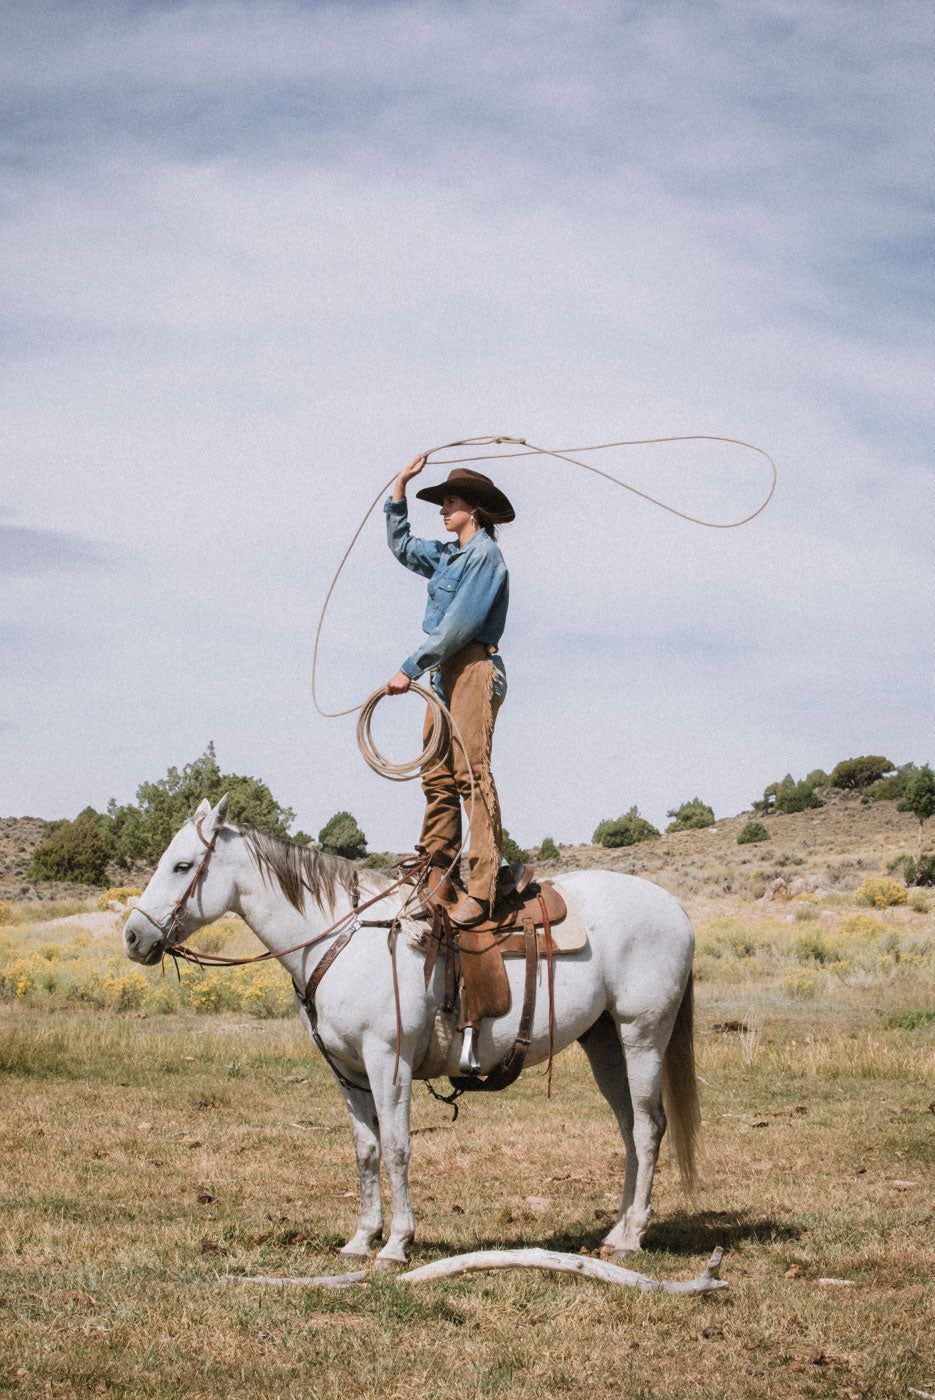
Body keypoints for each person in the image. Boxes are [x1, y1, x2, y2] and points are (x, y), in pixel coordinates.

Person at [384, 455, 522, 926]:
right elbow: (401, 546)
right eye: (442, 502)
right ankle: (437, 875)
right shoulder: (446, 556)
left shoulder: (486, 557)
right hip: (443, 672)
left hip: (472, 667)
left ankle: (483, 888)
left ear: (476, 510)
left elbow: (459, 626)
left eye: (452, 502)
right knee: (436, 777)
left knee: (470, 774)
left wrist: (410, 667)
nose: (443, 510)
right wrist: (401, 485)